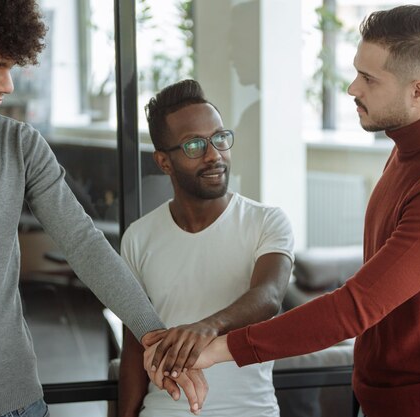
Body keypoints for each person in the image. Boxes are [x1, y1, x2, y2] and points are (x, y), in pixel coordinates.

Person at [146, 5, 420, 417]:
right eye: (357, 72)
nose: (353, 88)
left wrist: (214, 350)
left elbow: (354, 308)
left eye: (369, 79)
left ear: (419, 92)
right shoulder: (407, 153)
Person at [0, 1, 205, 416]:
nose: (8, 84)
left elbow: (84, 244)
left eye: (11, 66)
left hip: (17, 402)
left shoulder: (19, 145)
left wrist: (154, 336)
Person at [118, 79, 294, 417]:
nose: (214, 155)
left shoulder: (267, 222)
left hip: (250, 411)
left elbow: (268, 296)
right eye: (194, 145)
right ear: (164, 162)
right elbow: (132, 347)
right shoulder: (138, 237)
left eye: (219, 139)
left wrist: (206, 327)